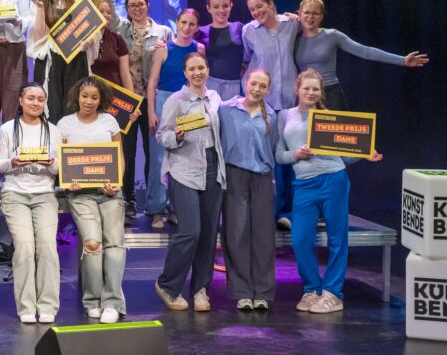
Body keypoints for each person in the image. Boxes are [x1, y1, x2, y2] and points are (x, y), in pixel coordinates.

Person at [276, 69, 383, 314]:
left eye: (315, 89)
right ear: (297, 89)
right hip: (304, 184)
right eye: (306, 88)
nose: (311, 92)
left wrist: (365, 154)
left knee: (337, 238)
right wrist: (296, 154)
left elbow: (345, 155)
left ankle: (333, 293)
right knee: (300, 239)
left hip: (333, 180)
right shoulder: (284, 116)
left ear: (321, 92)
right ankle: (312, 289)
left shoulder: (329, 117)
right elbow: (279, 155)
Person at [100, 0, 173, 220]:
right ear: (127, 9)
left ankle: (155, 204)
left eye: (141, 4)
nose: (137, 8)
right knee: (126, 152)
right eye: (132, 5)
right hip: (125, 101)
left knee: (154, 154)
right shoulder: (121, 28)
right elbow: (106, 0)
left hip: (153, 101)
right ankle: (128, 201)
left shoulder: (164, 32)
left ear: (148, 6)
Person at [154, 54, 225, 314]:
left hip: (212, 167)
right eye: (192, 69)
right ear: (185, 73)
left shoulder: (215, 98)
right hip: (183, 169)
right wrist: (176, 136)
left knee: (208, 234)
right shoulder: (176, 100)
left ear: (208, 69)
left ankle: (200, 289)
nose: (197, 73)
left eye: (201, 67)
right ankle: (168, 285)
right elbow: (161, 135)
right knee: (191, 231)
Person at [57, 77, 126, 324]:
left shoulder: (110, 122)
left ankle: (112, 302)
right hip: (80, 194)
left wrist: (117, 181)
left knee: (114, 246)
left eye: (94, 97)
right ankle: (92, 301)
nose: (89, 101)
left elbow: (119, 156)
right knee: (93, 244)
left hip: (110, 193)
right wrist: (68, 180)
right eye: (85, 96)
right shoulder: (65, 125)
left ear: (101, 100)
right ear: (77, 97)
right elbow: (63, 162)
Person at [0, 83, 62, 324]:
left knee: (47, 247)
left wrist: (52, 163)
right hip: (15, 194)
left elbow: (60, 168)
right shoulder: (7, 129)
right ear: (21, 101)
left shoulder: (54, 131)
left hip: (44, 194)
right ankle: (26, 307)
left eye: (40, 99)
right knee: (24, 248)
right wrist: (12, 162)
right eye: (31, 98)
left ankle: (47, 305)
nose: (35, 103)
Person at [294, 0, 429, 111]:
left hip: (329, 95)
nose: (310, 17)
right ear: (299, 14)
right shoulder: (293, 39)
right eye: (306, 12)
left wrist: (402, 60)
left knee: (333, 135)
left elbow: (365, 51)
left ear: (321, 16)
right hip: (304, 96)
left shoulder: (332, 35)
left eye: (315, 13)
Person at [218, 70, 278, 312]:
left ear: (268, 90)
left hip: (262, 176)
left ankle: (262, 292)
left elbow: (273, 147)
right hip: (235, 175)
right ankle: (242, 292)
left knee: (264, 236)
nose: (257, 89)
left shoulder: (271, 115)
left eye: (262, 86)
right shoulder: (226, 109)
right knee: (236, 233)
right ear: (245, 83)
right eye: (254, 83)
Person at [242, 0, 299, 230]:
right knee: (262, 157)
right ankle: (260, 211)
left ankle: (286, 213)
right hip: (263, 103)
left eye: (259, 7)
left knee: (288, 160)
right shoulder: (249, 31)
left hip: (289, 104)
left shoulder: (292, 25)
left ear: (271, 3)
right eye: (252, 9)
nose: (256, 12)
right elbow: (248, 60)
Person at [146, 8, 205, 229]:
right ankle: (156, 209)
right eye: (184, 23)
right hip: (163, 102)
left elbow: (201, 79)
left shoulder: (199, 49)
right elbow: (152, 82)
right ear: (177, 23)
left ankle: (175, 209)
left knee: (183, 158)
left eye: (192, 24)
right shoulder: (163, 49)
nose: (187, 27)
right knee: (159, 159)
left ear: (197, 27)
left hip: (188, 104)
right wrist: (151, 112)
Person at [27, 0, 94, 124]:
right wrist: (40, 7)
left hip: (75, 60)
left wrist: (88, 41)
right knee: (52, 109)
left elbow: (92, 29)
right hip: (51, 61)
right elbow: (39, 34)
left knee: (74, 109)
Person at [197, 0, 244, 102]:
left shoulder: (239, 27)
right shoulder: (201, 31)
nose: (221, 10)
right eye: (216, 6)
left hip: (234, 85)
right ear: (208, 8)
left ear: (231, 6)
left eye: (225, 6)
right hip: (210, 84)